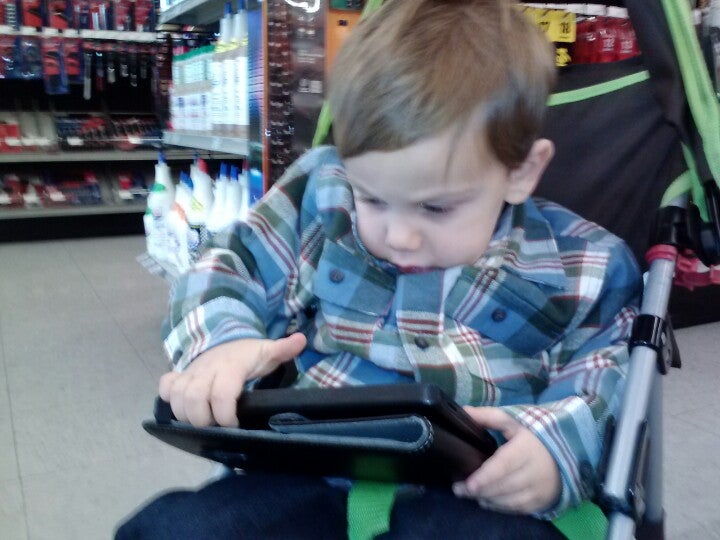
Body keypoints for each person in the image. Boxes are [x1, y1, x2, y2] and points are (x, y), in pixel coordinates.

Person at [116, 0, 641, 538]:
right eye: (372, 198)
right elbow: (228, 264)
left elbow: (607, 378)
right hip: (313, 468)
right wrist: (222, 344)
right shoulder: (324, 194)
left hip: (475, 492)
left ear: (522, 171)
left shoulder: (582, 265)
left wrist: (556, 448)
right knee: (174, 529)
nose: (399, 236)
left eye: (435, 207)